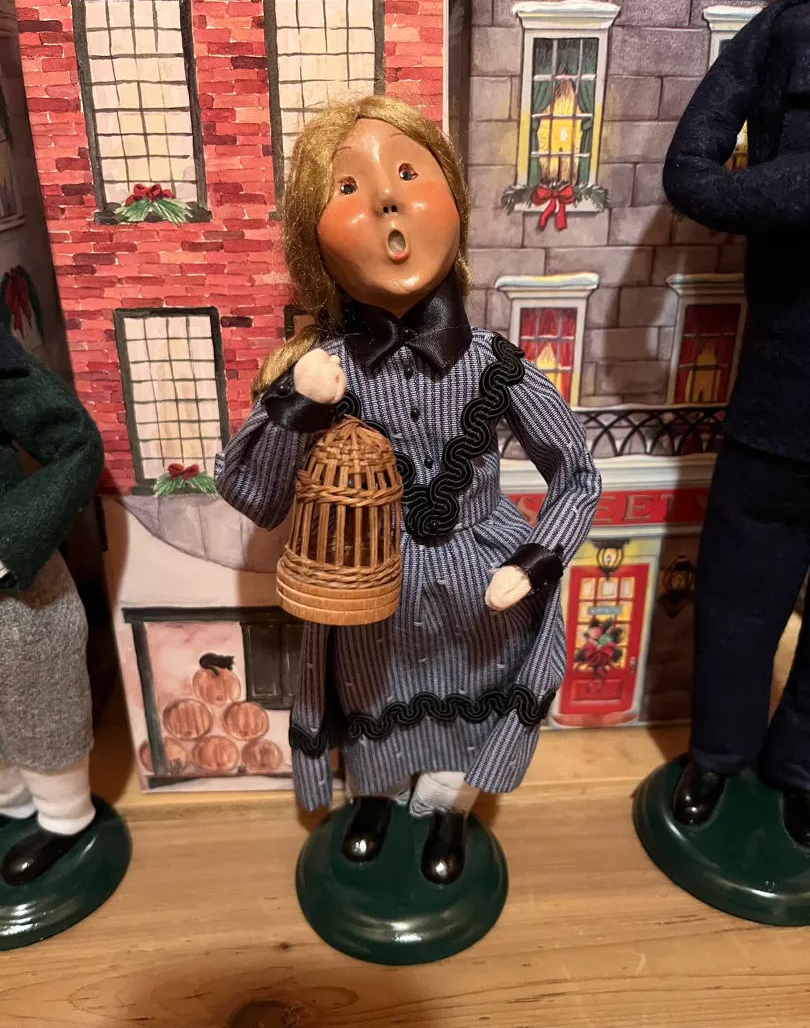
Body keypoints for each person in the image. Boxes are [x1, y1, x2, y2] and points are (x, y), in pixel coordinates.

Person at [216, 96, 600, 883]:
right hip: (369, 588)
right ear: (315, 238)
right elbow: (251, 492)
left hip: (483, 588)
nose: (386, 199)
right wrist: (294, 408)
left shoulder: (496, 364)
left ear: (453, 200)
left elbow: (576, 472)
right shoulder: (324, 368)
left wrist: (535, 560)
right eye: (348, 188)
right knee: (370, 693)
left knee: (478, 696)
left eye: (407, 173)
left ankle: (448, 813)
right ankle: (376, 798)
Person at [663, 0, 810, 843]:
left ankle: (801, 768)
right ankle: (717, 755)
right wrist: (793, 188)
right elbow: (689, 171)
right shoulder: (789, 29)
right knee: (736, 603)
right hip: (776, 399)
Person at [0, 325, 104, 883]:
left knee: (36, 694)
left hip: (15, 584)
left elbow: (76, 442)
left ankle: (64, 817)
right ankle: (11, 802)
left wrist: (11, 540)